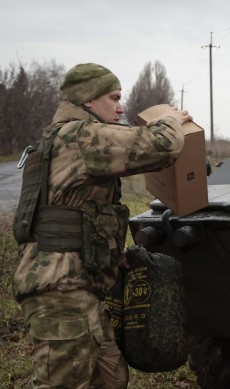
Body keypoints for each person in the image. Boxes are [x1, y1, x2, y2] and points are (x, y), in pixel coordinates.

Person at [12, 63, 192, 388]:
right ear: (89, 101)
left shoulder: (63, 140)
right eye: (114, 97)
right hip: (60, 294)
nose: (121, 107)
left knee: (110, 377)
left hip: (78, 289)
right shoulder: (81, 136)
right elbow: (162, 144)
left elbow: (79, 216)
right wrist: (171, 121)